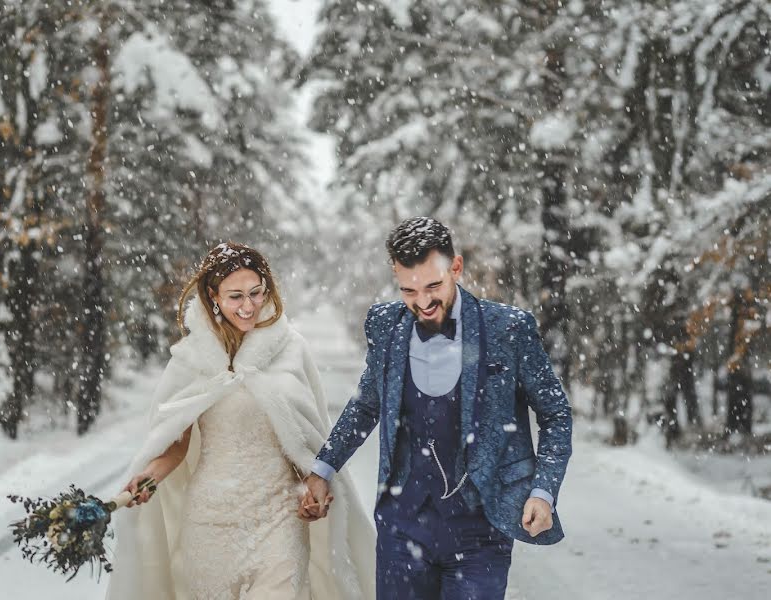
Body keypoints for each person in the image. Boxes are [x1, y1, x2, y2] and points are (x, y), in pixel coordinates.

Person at [300, 217, 573, 599]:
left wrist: (542, 492)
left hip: (481, 532)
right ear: (396, 275)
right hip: (402, 527)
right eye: (409, 290)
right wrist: (322, 469)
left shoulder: (508, 329)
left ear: (456, 268)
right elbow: (366, 407)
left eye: (433, 286)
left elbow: (556, 415)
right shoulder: (386, 327)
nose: (423, 302)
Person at [106, 242, 374, 600]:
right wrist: (149, 477)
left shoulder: (290, 349)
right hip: (210, 520)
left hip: (279, 518)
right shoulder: (191, 360)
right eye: (235, 296)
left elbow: (306, 434)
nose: (248, 306)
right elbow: (176, 442)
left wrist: (315, 483)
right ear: (213, 296)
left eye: (255, 293)